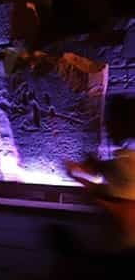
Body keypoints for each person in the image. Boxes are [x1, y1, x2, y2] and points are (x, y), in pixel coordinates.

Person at [47, 95, 135, 277]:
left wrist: (86, 185)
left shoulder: (127, 163)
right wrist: (88, 168)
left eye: (111, 121)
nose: (106, 127)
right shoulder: (124, 158)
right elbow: (106, 170)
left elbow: (126, 214)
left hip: (123, 254)